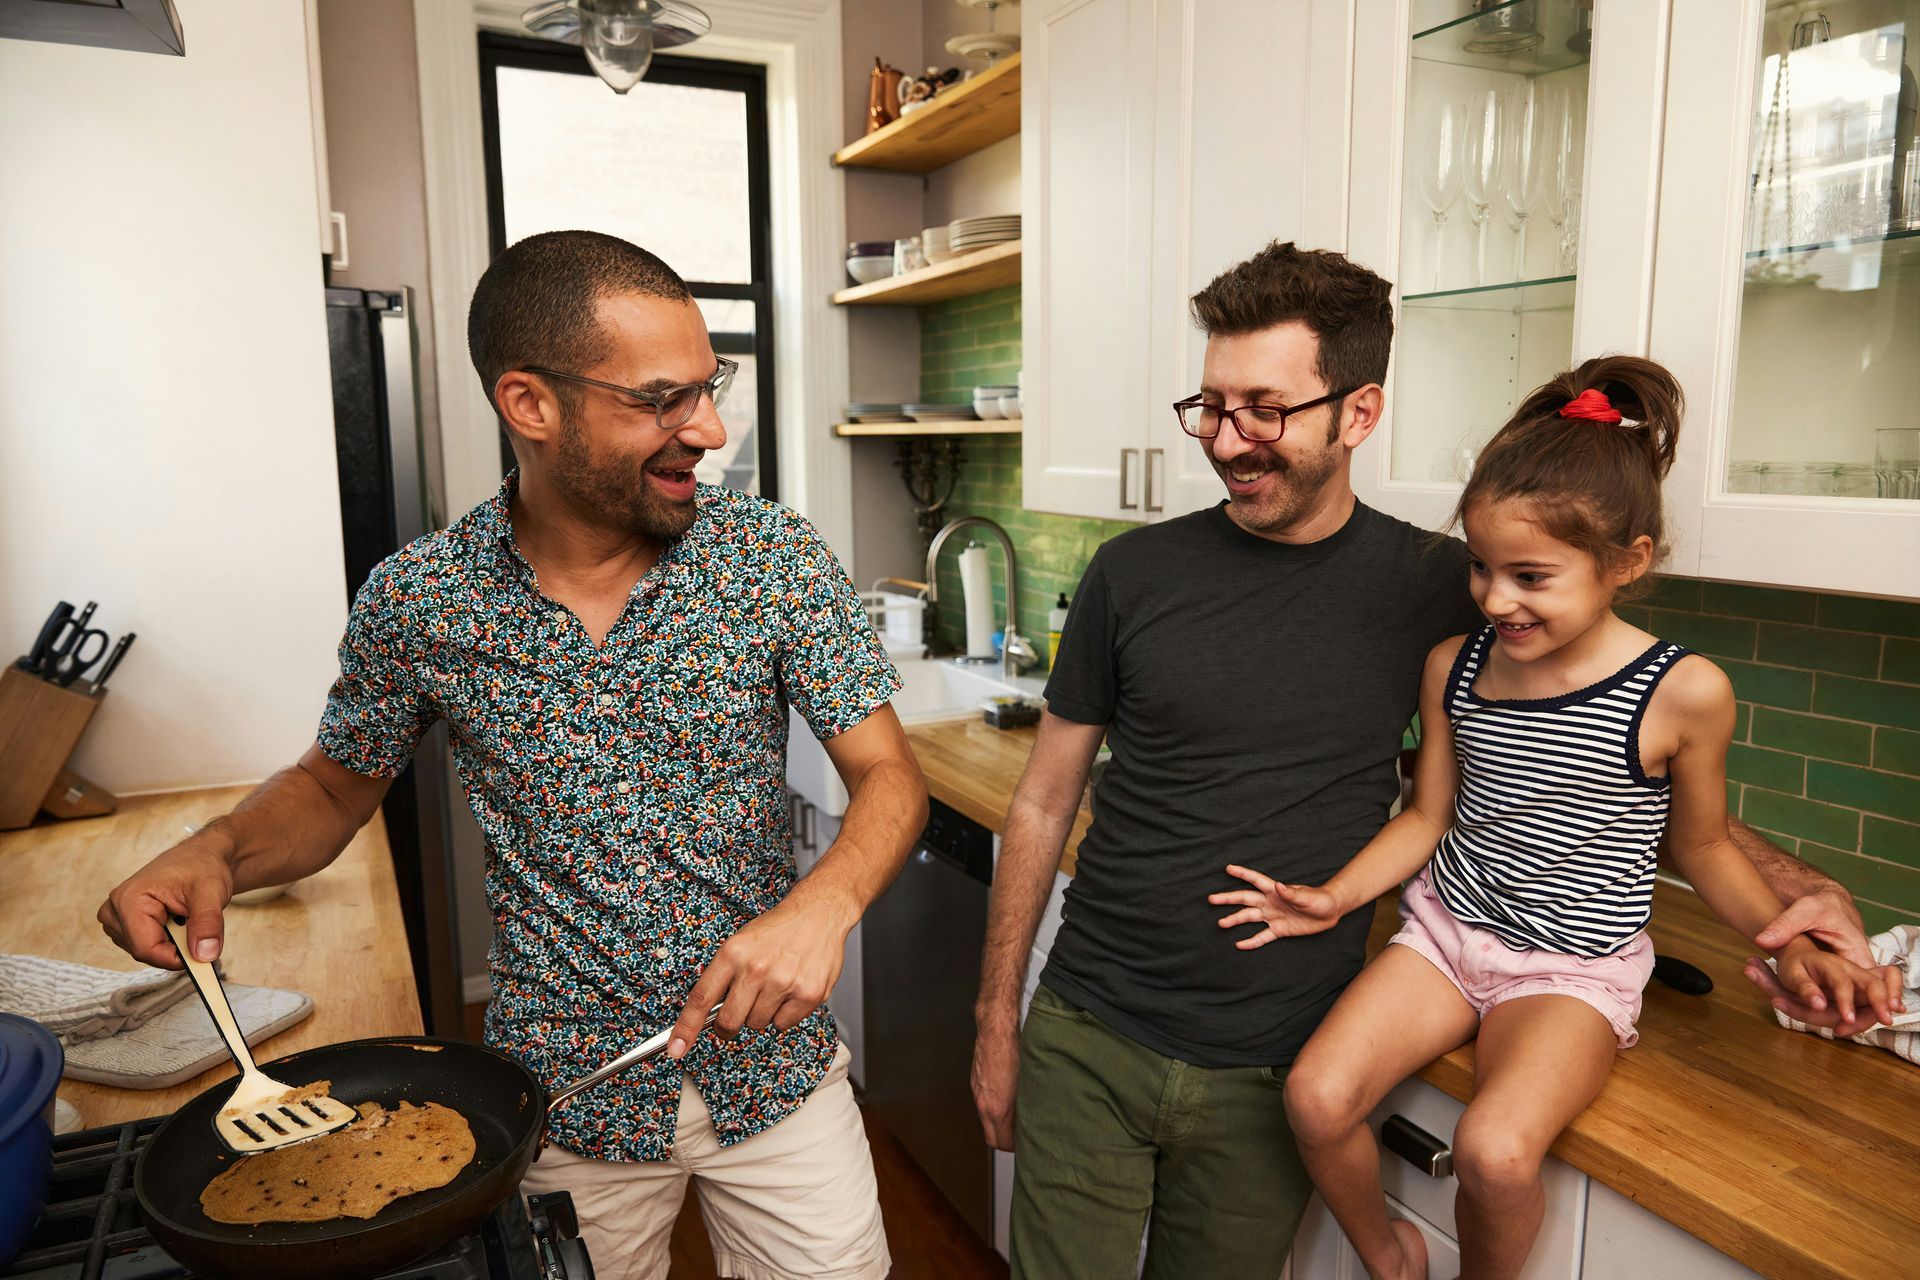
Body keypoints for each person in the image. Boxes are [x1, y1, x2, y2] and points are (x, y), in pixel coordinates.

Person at [969, 242, 1883, 1279]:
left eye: (1264, 409)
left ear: (1359, 413)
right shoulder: (1130, 572)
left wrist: (1801, 889)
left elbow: (1623, 764)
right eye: (1211, 406)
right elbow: (1044, 801)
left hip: (1278, 1051)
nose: (1227, 441)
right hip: (1090, 1028)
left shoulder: (1461, 587)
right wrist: (998, 1018)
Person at [97, 231, 926, 1280]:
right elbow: (328, 786)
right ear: (530, 404)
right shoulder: (422, 600)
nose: (709, 428)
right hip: (565, 1094)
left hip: (775, 1073)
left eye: (708, 388)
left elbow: (891, 777)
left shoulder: (770, 557)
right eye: (661, 400)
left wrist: (825, 903)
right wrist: (217, 849)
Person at [1216, 355, 1904, 1280]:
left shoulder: (1684, 692)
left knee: (1498, 1153)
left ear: (1627, 563)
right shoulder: (1456, 665)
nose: (1497, 599)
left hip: (1573, 972)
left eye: (1531, 576)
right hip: (1445, 937)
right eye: (1481, 568)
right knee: (1313, 1096)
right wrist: (1334, 897)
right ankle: (1390, 1254)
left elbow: (1700, 847)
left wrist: (1789, 942)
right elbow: (1428, 818)